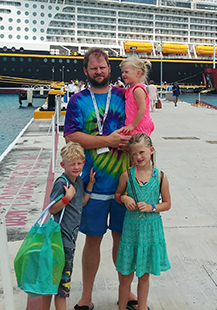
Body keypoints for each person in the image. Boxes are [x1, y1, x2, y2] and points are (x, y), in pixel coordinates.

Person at [64, 47, 135, 310]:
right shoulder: (78, 101)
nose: (99, 71)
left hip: (123, 184)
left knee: (122, 240)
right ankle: (86, 297)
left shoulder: (123, 96)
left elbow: (139, 124)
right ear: (86, 71)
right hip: (91, 184)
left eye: (102, 67)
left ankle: (126, 294)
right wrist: (107, 141)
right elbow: (71, 136)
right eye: (93, 68)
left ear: (109, 68)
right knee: (92, 241)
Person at [114, 133, 171, 310]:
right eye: (134, 154)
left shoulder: (160, 177)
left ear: (151, 150)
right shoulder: (127, 175)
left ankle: (142, 306)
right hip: (131, 231)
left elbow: (167, 204)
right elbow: (117, 195)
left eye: (142, 152)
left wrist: (152, 207)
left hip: (150, 231)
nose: (138, 157)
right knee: (125, 276)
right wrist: (124, 199)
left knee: (144, 276)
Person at [41, 142, 95, 310]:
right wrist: (66, 198)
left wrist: (90, 184)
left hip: (69, 242)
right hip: (60, 242)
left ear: (83, 163)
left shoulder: (78, 181)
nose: (76, 167)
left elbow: (82, 203)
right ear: (63, 165)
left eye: (79, 163)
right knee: (61, 287)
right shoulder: (62, 183)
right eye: (72, 164)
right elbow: (51, 209)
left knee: (54, 283)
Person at [119, 56, 155, 136]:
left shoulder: (138, 90)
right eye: (122, 72)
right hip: (133, 125)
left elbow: (142, 109)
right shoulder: (130, 89)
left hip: (138, 126)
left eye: (126, 72)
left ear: (138, 73)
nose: (123, 74)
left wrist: (132, 125)